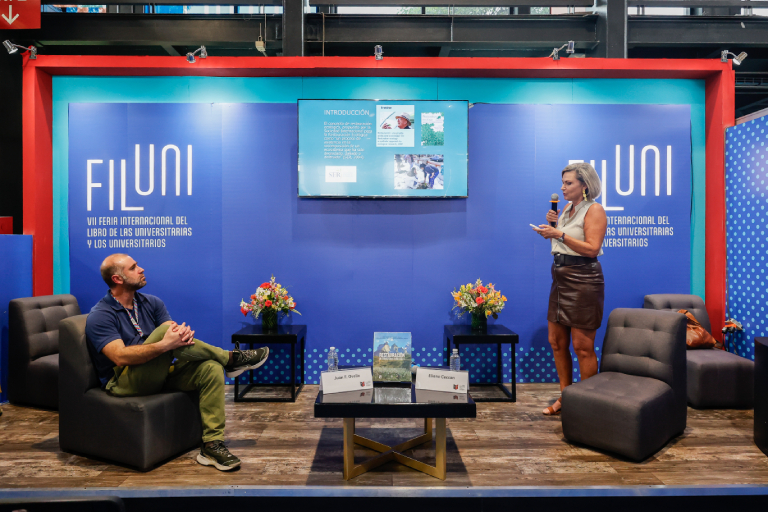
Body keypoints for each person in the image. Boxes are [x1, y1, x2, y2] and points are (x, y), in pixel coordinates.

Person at [85, 253, 270, 471]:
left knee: (210, 368)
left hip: (160, 372)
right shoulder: (101, 314)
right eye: (133, 268)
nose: (141, 269)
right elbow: (120, 356)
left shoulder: (151, 302)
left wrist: (177, 336)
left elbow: (176, 335)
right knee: (165, 332)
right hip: (125, 382)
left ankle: (212, 445)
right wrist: (165, 344)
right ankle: (231, 358)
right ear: (117, 279)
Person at [532, 162, 607, 416]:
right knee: (556, 341)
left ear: (584, 186)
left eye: (569, 183)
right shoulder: (566, 209)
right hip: (560, 278)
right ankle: (566, 396)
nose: (562, 188)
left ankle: (588, 403)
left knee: (583, 346)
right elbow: (562, 243)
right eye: (562, 183)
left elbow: (592, 249)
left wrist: (560, 235)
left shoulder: (594, 210)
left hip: (584, 279)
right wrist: (553, 230)